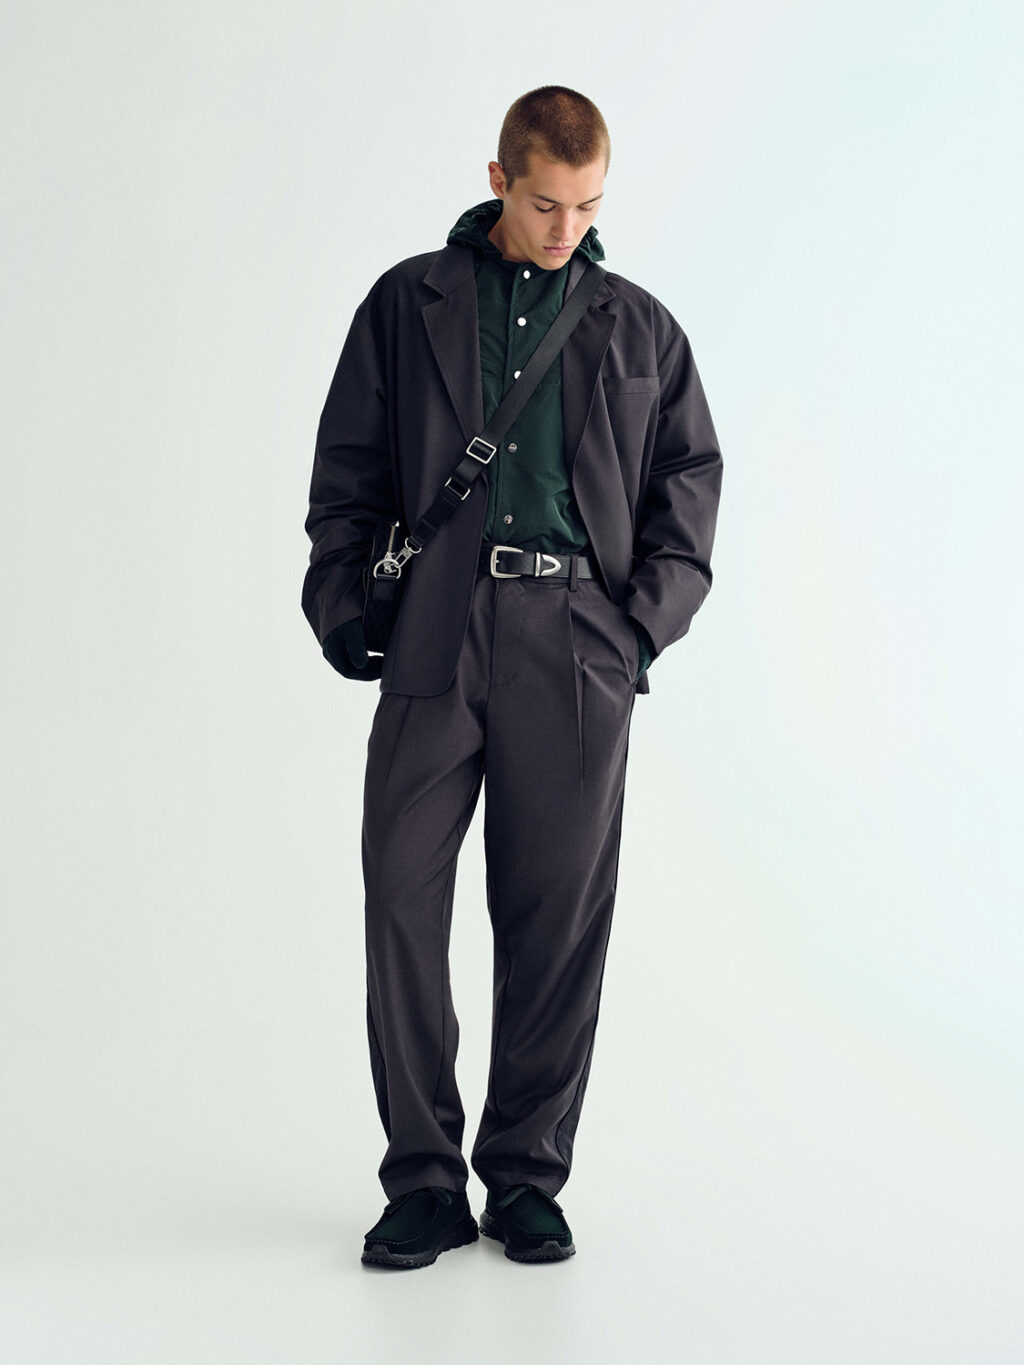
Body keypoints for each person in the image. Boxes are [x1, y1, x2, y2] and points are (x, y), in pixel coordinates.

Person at [301, 85, 723, 1269]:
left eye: (587, 207)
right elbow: (346, 467)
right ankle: (423, 1181)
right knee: (400, 895)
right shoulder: (408, 302)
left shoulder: (639, 326)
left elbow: (689, 481)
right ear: (499, 180)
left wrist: (638, 631)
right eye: (545, 204)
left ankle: (528, 1176)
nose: (565, 229)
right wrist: (340, 601)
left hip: (576, 640)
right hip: (436, 626)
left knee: (556, 919)